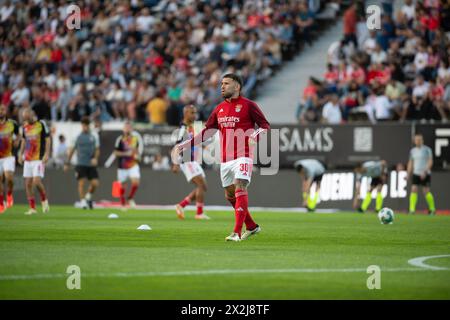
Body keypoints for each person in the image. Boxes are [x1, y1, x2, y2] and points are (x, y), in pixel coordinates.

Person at [175, 74, 270, 241]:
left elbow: (265, 125)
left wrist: (255, 135)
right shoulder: (219, 109)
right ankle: (252, 226)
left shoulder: (249, 105)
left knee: (240, 185)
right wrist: (186, 144)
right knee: (230, 195)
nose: (222, 86)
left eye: (226, 83)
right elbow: (207, 131)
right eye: (222, 83)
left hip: (244, 154)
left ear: (237, 87)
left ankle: (236, 232)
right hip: (226, 158)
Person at [172, 105, 210, 220]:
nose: (195, 115)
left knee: (203, 186)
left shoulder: (191, 127)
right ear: (186, 114)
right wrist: (176, 163)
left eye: (195, 113)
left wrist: (203, 147)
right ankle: (199, 213)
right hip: (186, 160)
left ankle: (181, 205)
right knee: (201, 185)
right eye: (192, 113)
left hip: (193, 160)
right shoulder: (182, 128)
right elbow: (177, 146)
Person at [18, 108, 50, 215]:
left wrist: (46, 153)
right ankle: (32, 208)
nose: (27, 119)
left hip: (38, 158)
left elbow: (48, 139)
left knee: (36, 181)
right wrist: (20, 153)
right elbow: (23, 140)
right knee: (28, 184)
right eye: (25, 118)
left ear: (32, 114)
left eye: (28, 117)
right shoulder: (24, 127)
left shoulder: (41, 124)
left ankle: (44, 200)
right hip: (28, 159)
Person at [65, 116, 100, 209]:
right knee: (81, 183)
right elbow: (72, 150)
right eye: (83, 125)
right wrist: (67, 162)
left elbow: (97, 149)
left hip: (91, 163)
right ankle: (83, 202)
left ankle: (87, 197)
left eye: (86, 125)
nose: (85, 127)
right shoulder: (77, 137)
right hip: (80, 163)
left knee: (95, 183)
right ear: (81, 126)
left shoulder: (94, 136)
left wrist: (95, 158)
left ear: (89, 126)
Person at [114, 121, 143, 209]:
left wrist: (138, 156)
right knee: (123, 185)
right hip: (122, 165)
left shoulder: (135, 139)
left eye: (129, 127)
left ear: (131, 129)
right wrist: (126, 154)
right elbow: (116, 152)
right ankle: (123, 203)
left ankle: (130, 198)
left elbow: (137, 150)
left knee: (136, 182)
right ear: (123, 129)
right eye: (126, 127)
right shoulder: (120, 139)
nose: (127, 129)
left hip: (133, 164)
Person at [407, 133, 436, 215]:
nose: (418, 141)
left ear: (422, 140)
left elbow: (430, 161)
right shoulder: (412, 151)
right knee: (413, 189)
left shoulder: (427, 149)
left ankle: (432, 209)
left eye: (419, 139)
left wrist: (425, 171)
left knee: (426, 191)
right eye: (416, 139)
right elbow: (410, 163)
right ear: (414, 141)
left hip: (425, 173)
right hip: (416, 173)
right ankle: (412, 210)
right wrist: (408, 174)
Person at [0, 105, 19, 213]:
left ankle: (9, 194)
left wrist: (18, 140)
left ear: (6, 111)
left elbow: (19, 134)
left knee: (9, 178)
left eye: (3, 109)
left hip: (8, 156)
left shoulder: (12, 123)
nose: (1, 111)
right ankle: (1, 204)